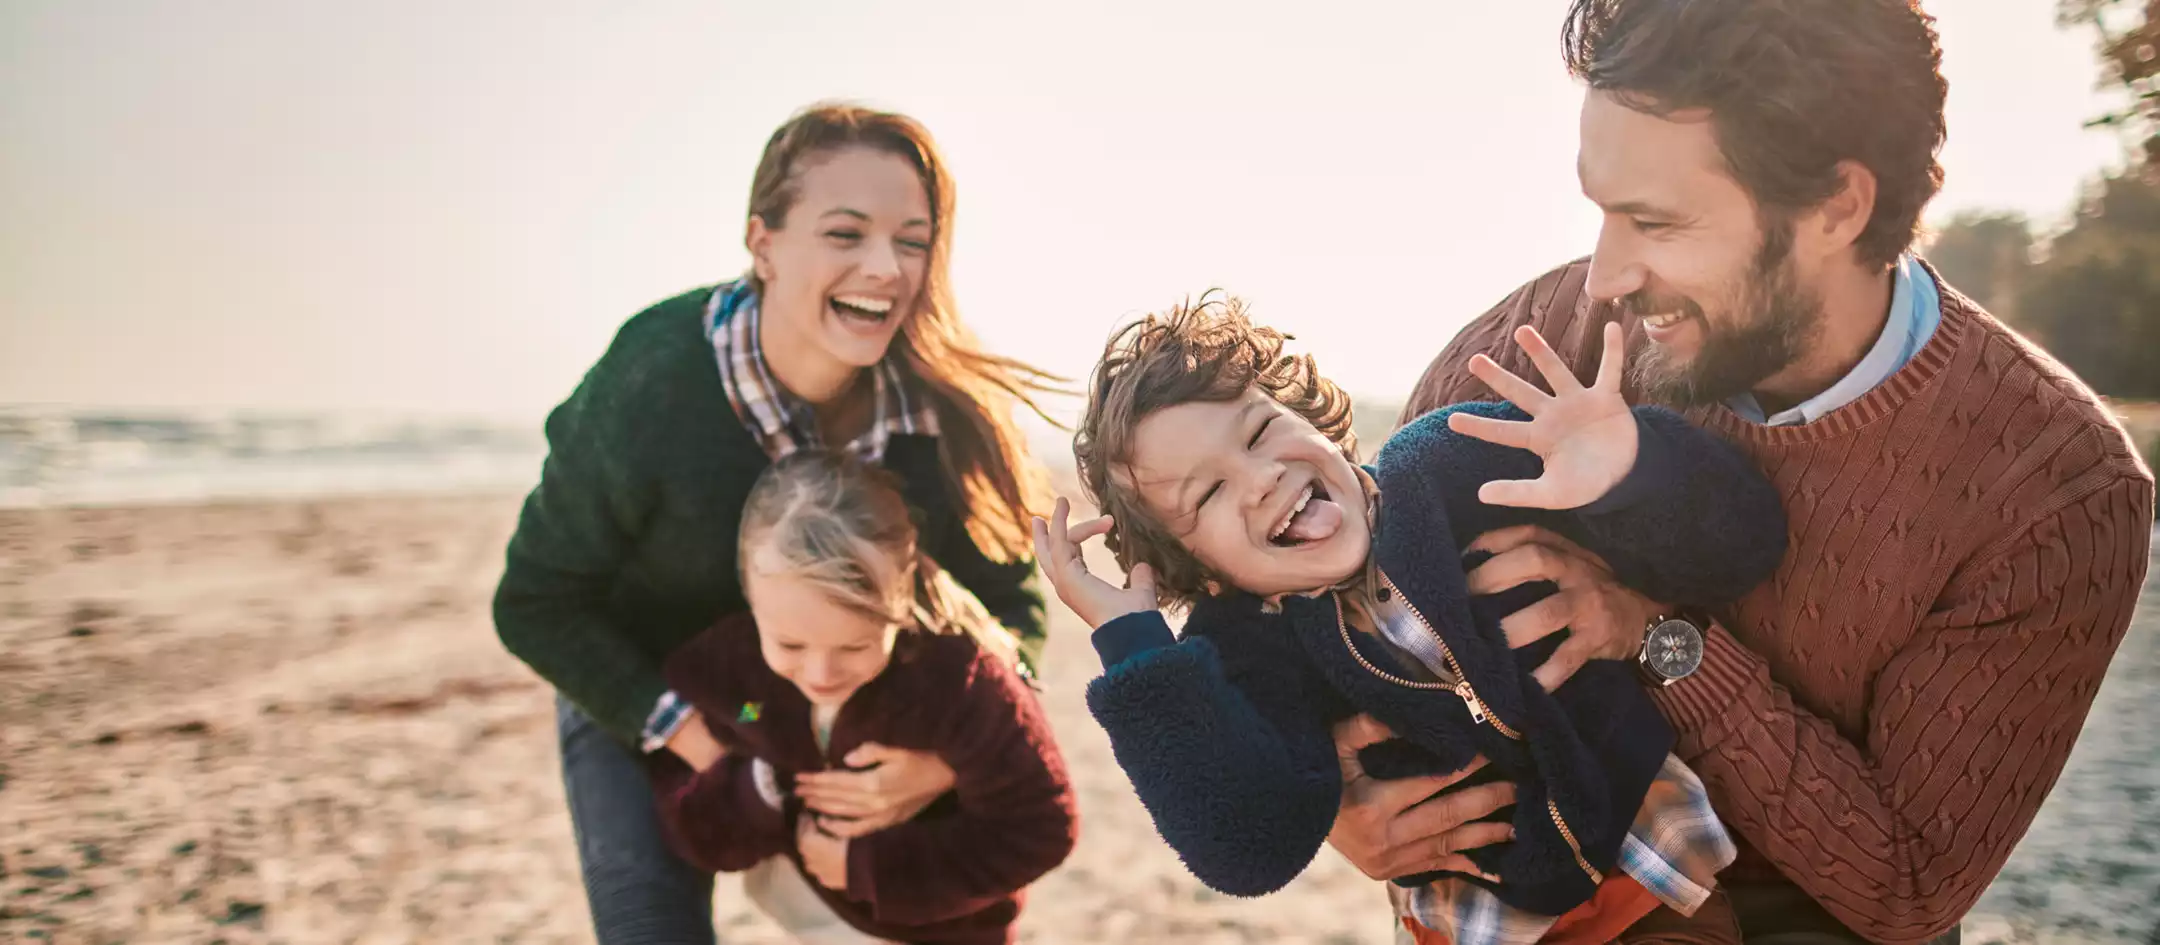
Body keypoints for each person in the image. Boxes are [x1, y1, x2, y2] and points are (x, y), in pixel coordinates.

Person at [1326, 2, 2157, 943]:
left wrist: (1656, 637)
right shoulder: (1533, 347)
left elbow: (1908, 887)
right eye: (1601, 209)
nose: (1605, 276)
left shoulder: (2057, 492)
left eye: (1655, 221)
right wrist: (1335, 797)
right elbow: (1317, 594)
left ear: (1838, 205)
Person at [1034, 295, 1788, 944]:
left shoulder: (1451, 463)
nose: (1262, 479)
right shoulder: (1245, 647)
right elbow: (1246, 843)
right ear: (1200, 570)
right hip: (1464, 927)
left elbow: (1742, 541)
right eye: (1207, 496)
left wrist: (1629, 468)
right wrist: (1133, 645)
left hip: (1645, 874)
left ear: (1314, 420)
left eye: (1262, 432)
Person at [492, 102, 1059, 944]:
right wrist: (712, 750)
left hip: (844, 708)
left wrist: (937, 761)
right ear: (763, 243)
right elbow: (535, 602)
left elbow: (1008, 610)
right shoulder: (653, 379)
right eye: (845, 233)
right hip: (649, 689)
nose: (887, 267)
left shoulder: (943, 413)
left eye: (912, 239)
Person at [649, 451, 1077, 945]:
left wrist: (869, 868)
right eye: (790, 645)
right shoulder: (740, 680)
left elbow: (1041, 826)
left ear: (901, 596)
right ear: (749, 596)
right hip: (804, 921)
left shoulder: (955, 685)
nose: (821, 673)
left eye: (856, 645)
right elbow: (698, 787)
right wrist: (753, 783)